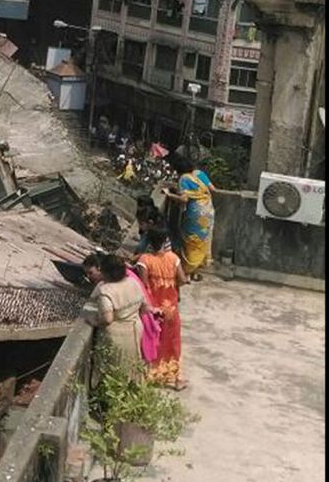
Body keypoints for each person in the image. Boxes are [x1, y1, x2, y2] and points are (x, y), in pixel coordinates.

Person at [81, 253, 160, 372]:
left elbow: (107, 319)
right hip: (135, 331)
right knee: (132, 365)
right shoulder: (133, 282)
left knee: (114, 370)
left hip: (117, 336)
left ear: (104, 272)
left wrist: (94, 321)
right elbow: (144, 308)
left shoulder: (106, 291)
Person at [136, 226, 190, 390]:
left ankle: (153, 374)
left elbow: (143, 285)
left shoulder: (144, 260)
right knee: (173, 340)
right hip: (171, 307)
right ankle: (176, 378)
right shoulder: (174, 258)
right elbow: (181, 279)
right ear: (165, 240)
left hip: (153, 307)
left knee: (153, 339)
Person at [162, 152, 224, 280]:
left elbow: (184, 199)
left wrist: (169, 194)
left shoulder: (184, 179)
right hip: (208, 210)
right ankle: (196, 269)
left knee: (192, 240)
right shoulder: (199, 174)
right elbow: (213, 189)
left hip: (195, 213)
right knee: (202, 239)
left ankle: (186, 272)